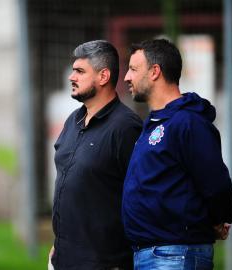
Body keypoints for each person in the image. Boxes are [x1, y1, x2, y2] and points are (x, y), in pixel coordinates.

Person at [122, 38, 232, 270]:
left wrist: (218, 218)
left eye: (133, 69)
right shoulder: (153, 123)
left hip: (175, 255)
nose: (126, 77)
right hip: (151, 255)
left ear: (155, 72)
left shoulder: (188, 122)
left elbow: (216, 184)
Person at [50, 40, 142, 270]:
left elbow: (142, 196)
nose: (72, 77)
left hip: (103, 263)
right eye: (73, 70)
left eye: (80, 71)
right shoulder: (73, 120)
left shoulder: (126, 127)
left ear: (103, 77)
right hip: (61, 258)